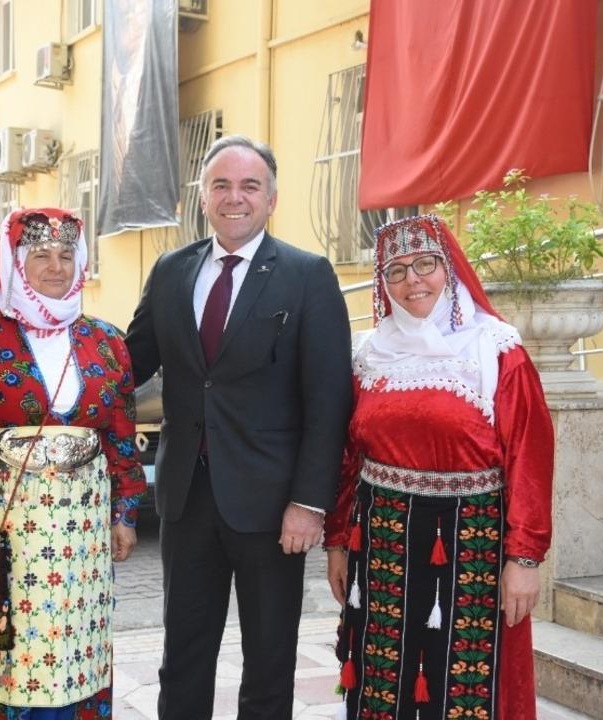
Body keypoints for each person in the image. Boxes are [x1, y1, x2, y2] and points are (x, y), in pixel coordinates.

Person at [126, 134, 352, 719]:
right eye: (221, 185)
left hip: (274, 506)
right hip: (185, 497)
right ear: (203, 197)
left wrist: (309, 503)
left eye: (249, 186)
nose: (235, 198)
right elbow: (128, 364)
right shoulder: (172, 271)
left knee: (269, 660)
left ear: (271, 199)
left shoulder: (308, 276)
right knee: (183, 657)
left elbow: (328, 403)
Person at [324, 214, 554, 720]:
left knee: (462, 685)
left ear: (449, 269)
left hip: (471, 546)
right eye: (397, 271)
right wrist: (337, 541)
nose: (413, 281)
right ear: (383, 284)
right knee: (382, 679)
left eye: (425, 264)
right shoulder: (368, 354)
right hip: (380, 545)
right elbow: (348, 458)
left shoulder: (494, 349)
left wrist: (525, 558)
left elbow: (529, 460)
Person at [0, 207, 145, 719]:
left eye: (67, 255)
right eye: (40, 255)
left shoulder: (107, 342)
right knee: (0, 647)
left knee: (73, 650)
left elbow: (120, 437)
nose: (55, 266)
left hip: (80, 541)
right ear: (16, 262)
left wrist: (126, 513)